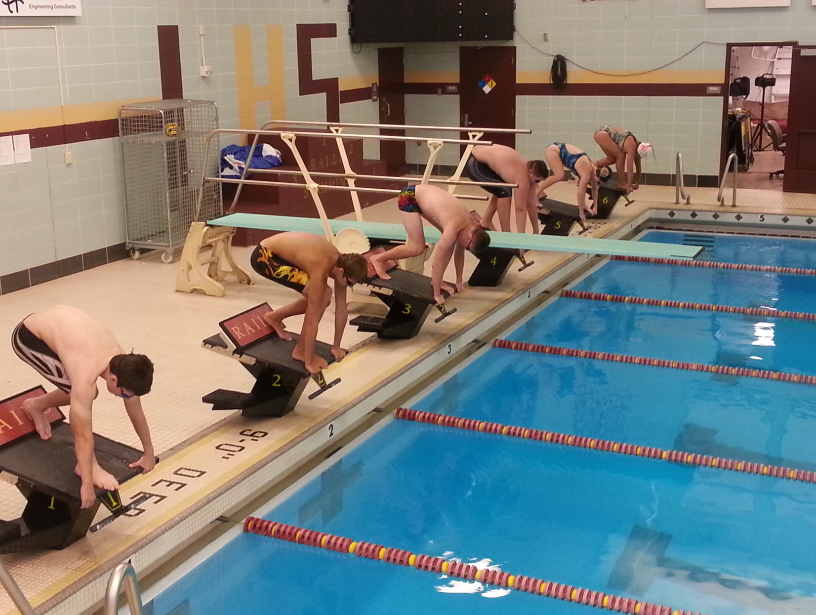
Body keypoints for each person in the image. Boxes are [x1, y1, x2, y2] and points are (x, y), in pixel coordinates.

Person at [11, 305, 155, 509]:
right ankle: (89, 465)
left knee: (85, 393)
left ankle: (34, 405)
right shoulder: (85, 374)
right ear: (113, 380)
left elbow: (135, 409)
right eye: (124, 394)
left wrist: (148, 452)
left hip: (58, 326)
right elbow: (82, 435)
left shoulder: (122, 362)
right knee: (83, 393)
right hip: (29, 337)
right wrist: (87, 481)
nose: (125, 398)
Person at [250, 232, 369, 375]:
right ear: (341, 271)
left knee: (323, 295)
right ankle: (300, 350)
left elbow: (342, 309)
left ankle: (274, 317)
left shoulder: (341, 262)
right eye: (350, 283)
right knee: (323, 296)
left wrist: (336, 347)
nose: (349, 286)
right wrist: (309, 360)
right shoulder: (321, 266)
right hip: (265, 256)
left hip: (282, 253)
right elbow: (313, 320)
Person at [369, 184, 491, 306]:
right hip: (410, 197)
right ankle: (378, 259)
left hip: (424, 197)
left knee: (450, 244)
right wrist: (436, 294)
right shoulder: (453, 229)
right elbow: (436, 264)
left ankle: (437, 280)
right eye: (468, 247)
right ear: (469, 237)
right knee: (417, 248)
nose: (465, 248)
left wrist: (459, 281)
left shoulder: (470, 226)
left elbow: (459, 253)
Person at [467, 144, 549, 234]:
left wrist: (536, 231)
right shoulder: (523, 177)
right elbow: (520, 209)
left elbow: (531, 204)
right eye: (537, 180)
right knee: (504, 192)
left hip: (481, 158)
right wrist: (522, 237)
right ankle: (506, 233)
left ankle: (486, 220)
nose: (536, 183)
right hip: (474, 163)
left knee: (502, 189)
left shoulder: (530, 171)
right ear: (531, 172)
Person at [536, 142, 599, 221]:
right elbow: (580, 193)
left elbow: (594, 188)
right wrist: (581, 213)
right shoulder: (587, 171)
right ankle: (536, 193)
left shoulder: (593, 169)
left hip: (561, 152)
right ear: (596, 175)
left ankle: (583, 204)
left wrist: (595, 207)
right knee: (559, 175)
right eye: (596, 180)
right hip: (553, 150)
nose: (594, 181)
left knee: (581, 184)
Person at [593, 125, 651, 193]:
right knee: (620, 155)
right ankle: (622, 183)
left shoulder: (637, 147)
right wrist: (628, 187)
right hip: (602, 134)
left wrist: (637, 182)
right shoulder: (631, 146)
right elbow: (630, 169)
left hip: (602, 134)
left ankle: (593, 167)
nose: (637, 157)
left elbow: (638, 166)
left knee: (612, 159)